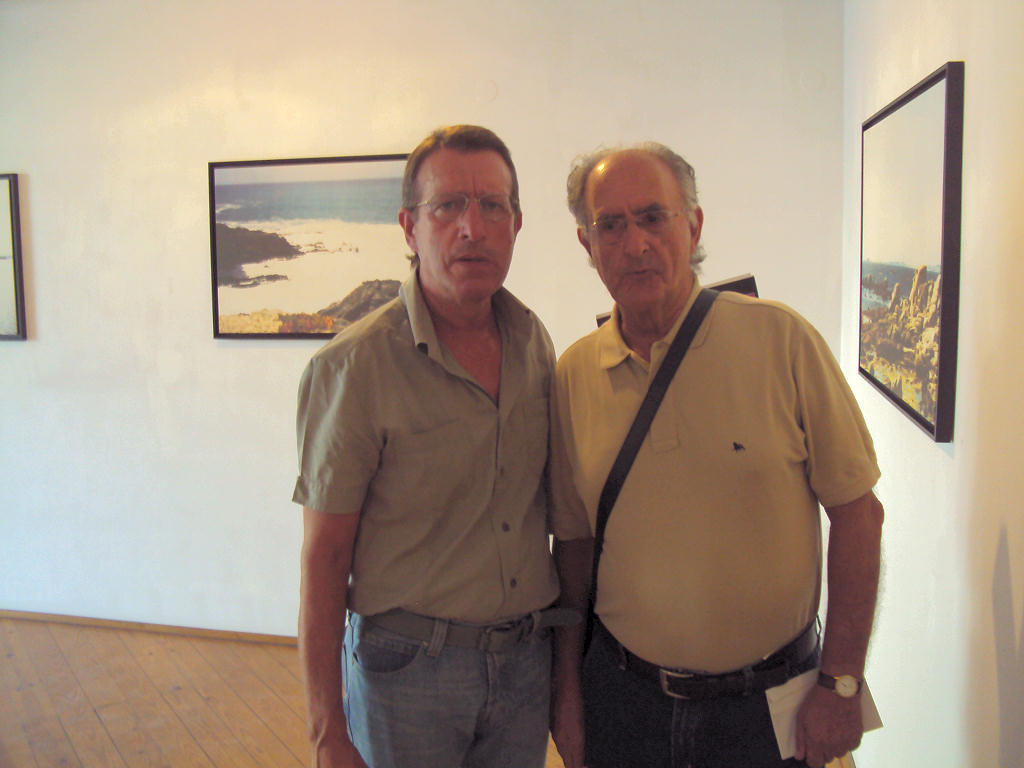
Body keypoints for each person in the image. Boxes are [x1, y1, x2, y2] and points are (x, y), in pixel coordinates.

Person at [548, 143, 884, 768]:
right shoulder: (573, 375)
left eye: (654, 217)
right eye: (610, 225)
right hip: (625, 704)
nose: (635, 243)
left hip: (769, 708)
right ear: (586, 243)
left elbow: (859, 515)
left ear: (694, 225)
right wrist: (567, 691)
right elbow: (572, 551)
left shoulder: (781, 340)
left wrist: (842, 682)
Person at [293, 125, 564, 768]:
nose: (472, 227)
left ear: (516, 224)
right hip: (409, 676)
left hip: (525, 667)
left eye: (492, 205)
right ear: (409, 228)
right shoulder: (353, 367)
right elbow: (325, 556)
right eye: (447, 206)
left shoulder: (534, 344)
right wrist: (327, 730)